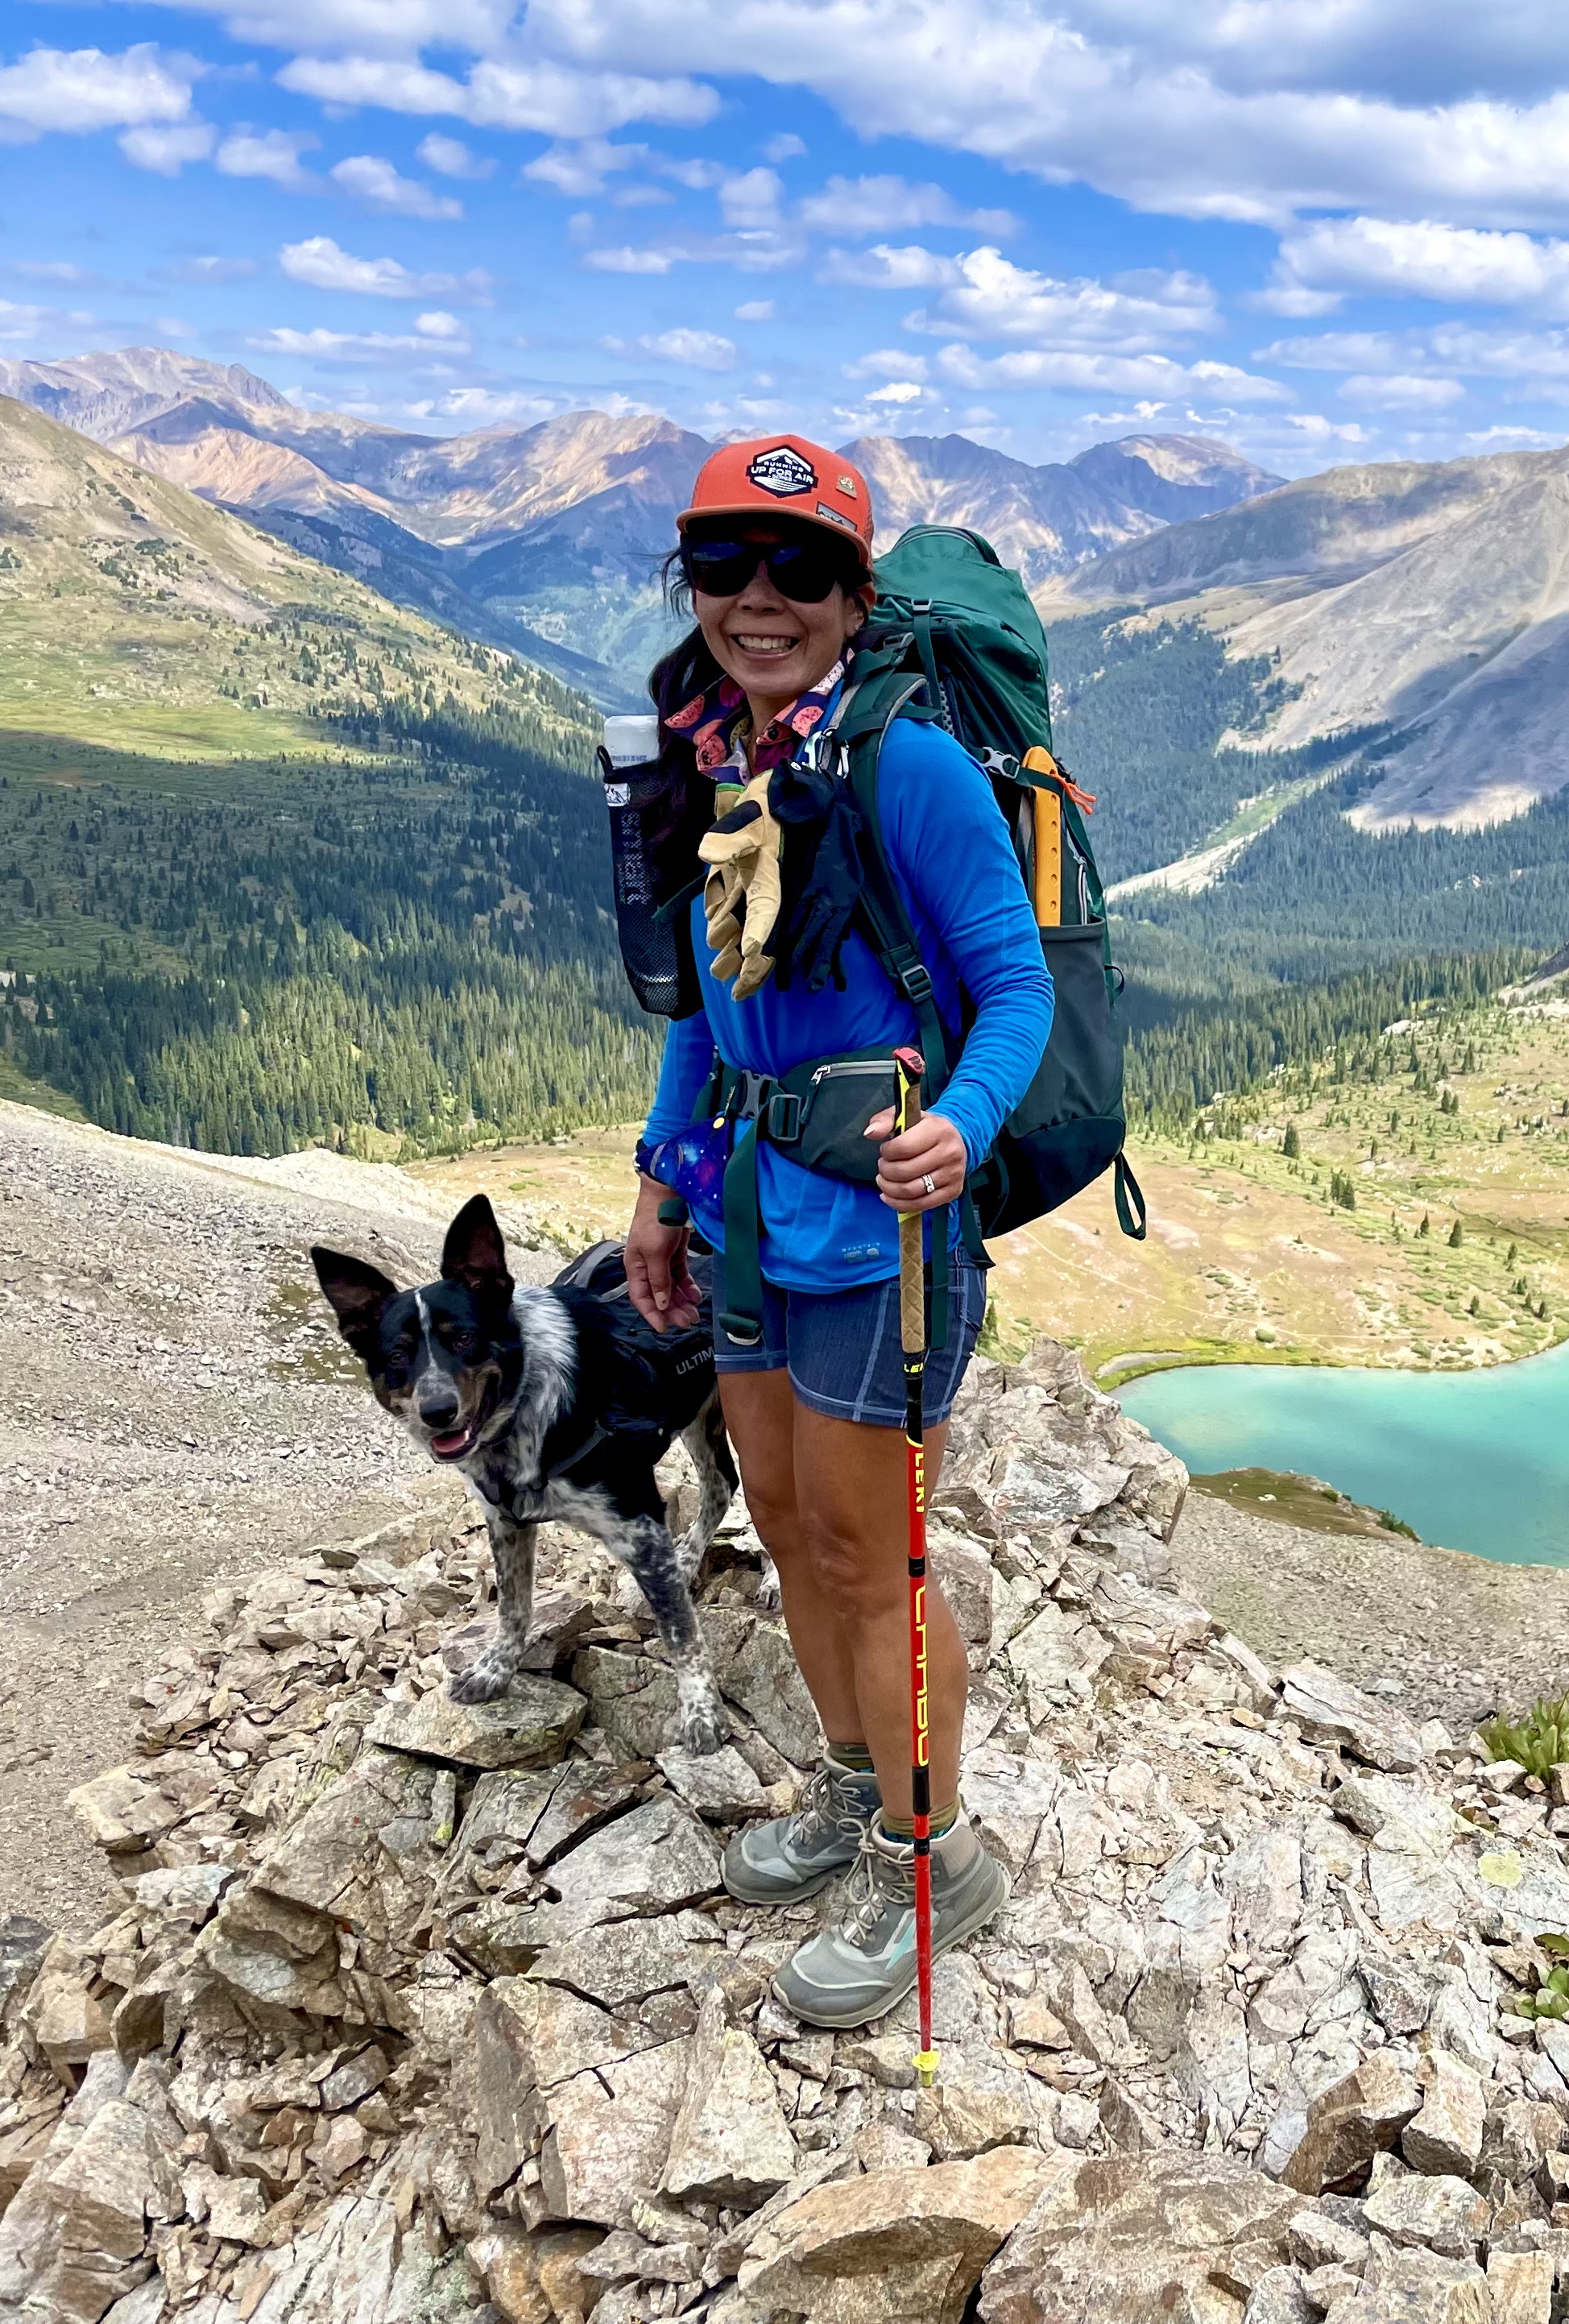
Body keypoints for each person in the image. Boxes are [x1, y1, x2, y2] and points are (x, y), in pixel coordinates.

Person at [619, 433, 1049, 2027]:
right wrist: (663, 1183)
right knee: (791, 1525)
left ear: (854, 598)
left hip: (879, 1232)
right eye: (728, 564)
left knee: (877, 1559)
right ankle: (857, 1787)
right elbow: (703, 1010)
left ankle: (935, 1862)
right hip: (747, 1212)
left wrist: (964, 1125)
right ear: (697, 586)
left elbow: (1014, 989)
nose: (761, 596)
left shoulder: (908, 770)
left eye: (801, 568)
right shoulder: (709, 762)